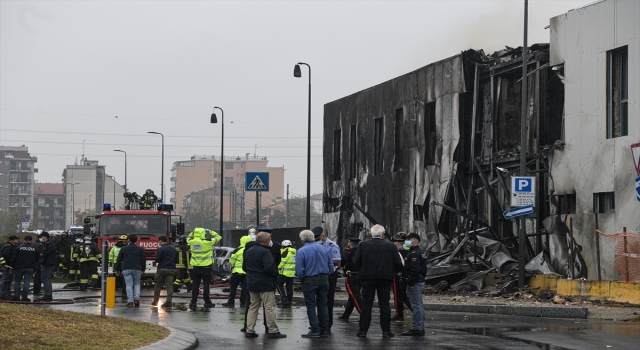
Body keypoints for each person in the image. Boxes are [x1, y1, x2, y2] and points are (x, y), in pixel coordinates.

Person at [354, 224, 404, 338]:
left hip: (367, 278)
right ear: (383, 233)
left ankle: (363, 331)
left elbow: (356, 262)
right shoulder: (390, 246)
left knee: (366, 304)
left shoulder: (363, 245)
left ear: (371, 233)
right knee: (384, 304)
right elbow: (398, 263)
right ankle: (386, 331)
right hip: (385, 278)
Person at [243, 232, 286, 339]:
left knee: (253, 307)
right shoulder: (266, 252)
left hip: (252, 282)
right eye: (270, 239)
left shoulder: (248, 251)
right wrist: (276, 275)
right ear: (265, 241)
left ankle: (250, 330)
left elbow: (244, 267)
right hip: (265, 283)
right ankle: (273, 330)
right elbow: (269, 268)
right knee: (269, 307)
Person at [296, 229, 334, 338]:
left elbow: (300, 270)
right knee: (323, 304)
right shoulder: (324, 249)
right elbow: (331, 267)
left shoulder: (302, 251)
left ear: (302, 239)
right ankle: (324, 329)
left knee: (311, 304)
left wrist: (301, 278)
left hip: (309, 279)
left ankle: (315, 329)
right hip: (323, 278)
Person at [311, 226, 341, 331]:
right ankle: (320, 322)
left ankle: (327, 324)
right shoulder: (315, 245)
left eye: (318, 238)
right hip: (317, 274)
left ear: (323, 236)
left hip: (330, 274)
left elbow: (338, 261)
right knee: (318, 300)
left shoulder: (332, 245)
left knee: (328, 300)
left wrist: (324, 258)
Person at [187, 227, 220, 310]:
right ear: (203, 234)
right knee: (206, 285)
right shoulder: (208, 242)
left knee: (195, 285)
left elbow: (188, 237)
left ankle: (193, 302)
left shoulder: (191, 242)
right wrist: (210, 231)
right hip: (206, 267)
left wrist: (192, 232)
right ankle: (207, 302)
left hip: (196, 267)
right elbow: (218, 237)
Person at [402, 233, 427, 336]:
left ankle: (417, 327)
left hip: (415, 282)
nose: (407, 241)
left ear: (416, 240)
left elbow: (415, 270)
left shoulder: (414, 253)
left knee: (416, 306)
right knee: (418, 305)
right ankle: (419, 327)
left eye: (409, 239)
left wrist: (410, 283)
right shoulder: (418, 252)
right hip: (418, 281)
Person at [114, 234, 146, 307]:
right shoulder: (140, 249)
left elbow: (119, 260)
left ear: (128, 240)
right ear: (136, 240)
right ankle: (136, 299)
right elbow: (143, 260)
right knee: (137, 283)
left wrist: (117, 269)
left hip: (126, 268)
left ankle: (130, 301)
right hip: (137, 268)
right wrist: (143, 268)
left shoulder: (123, 249)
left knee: (128, 285)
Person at [221, 235, 251, 308]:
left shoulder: (237, 250)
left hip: (237, 272)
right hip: (247, 273)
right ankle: (243, 303)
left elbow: (231, 261)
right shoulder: (250, 250)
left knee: (233, 287)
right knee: (245, 288)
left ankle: (231, 302)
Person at [338, 237, 363, 321]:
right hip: (360, 275)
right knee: (352, 296)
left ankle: (364, 314)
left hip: (351, 275)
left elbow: (343, 259)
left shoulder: (348, 251)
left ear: (350, 243)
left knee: (354, 295)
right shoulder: (362, 251)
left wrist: (342, 266)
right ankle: (346, 314)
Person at [10, 235, 40, 302]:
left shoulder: (19, 248)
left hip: (18, 267)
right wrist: (35, 269)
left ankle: (16, 296)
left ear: (24, 240)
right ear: (31, 241)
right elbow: (37, 260)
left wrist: (12, 267)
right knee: (27, 282)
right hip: (29, 268)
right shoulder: (35, 249)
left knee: (17, 282)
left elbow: (14, 258)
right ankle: (24, 297)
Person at [152, 236, 177, 307]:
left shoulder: (160, 249)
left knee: (158, 285)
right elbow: (176, 260)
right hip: (171, 269)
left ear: (160, 241)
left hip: (162, 269)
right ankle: (169, 301)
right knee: (169, 286)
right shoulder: (173, 249)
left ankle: (155, 301)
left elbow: (157, 259)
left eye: (158, 241)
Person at [392, 234, 412, 322]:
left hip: (398, 276)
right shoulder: (410, 251)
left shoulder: (397, 253)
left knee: (398, 296)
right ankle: (415, 310)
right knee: (405, 296)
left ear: (396, 245)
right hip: (407, 276)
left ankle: (398, 314)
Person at [276, 239, 296, 308]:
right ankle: (289, 302)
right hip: (292, 273)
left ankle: (284, 299)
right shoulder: (294, 252)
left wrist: (277, 269)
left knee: (278, 285)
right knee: (289, 287)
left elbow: (282, 262)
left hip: (284, 273)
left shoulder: (285, 252)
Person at [38, 232, 57, 301]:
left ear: (45, 237)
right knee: (47, 279)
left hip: (47, 263)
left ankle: (48, 295)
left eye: (42, 237)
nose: (41, 238)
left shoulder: (49, 244)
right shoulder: (45, 244)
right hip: (46, 263)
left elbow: (49, 252)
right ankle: (48, 294)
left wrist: (42, 254)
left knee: (45, 279)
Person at [109, 235, 128, 300]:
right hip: (125, 265)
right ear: (125, 241)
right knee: (124, 280)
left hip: (116, 265)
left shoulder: (114, 248)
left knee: (115, 280)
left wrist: (114, 262)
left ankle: (112, 295)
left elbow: (110, 257)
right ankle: (124, 294)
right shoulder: (127, 248)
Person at [0, 235, 19, 300]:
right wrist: (6, 265)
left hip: (10, 266)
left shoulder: (13, 247)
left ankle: (7, 293)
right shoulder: (7, 247)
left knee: (9, 280)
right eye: (16, 239)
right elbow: (6, 257)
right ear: (13, 240)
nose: (17, 240)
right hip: (7, 266)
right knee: (5, 280)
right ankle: (3, 294)